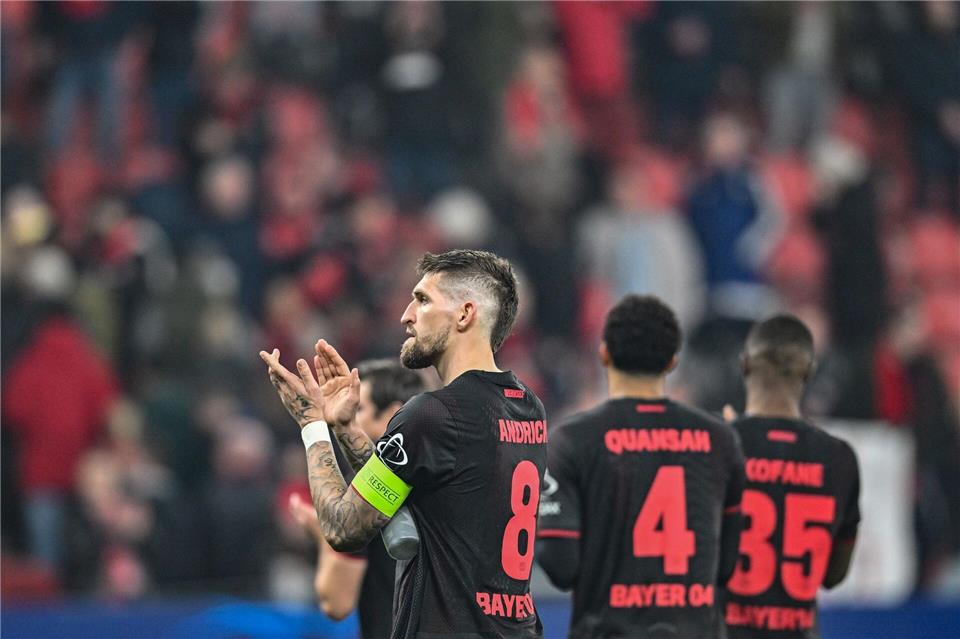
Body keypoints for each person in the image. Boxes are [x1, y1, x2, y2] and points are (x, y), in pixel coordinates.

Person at [261, 249, 547, 639]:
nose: (406, 316)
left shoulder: (433, 414)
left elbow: (343, 527)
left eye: (423, 300)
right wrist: (345, 428)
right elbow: (412, 495)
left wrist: (312, 425)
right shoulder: (528, 408)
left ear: (464, 315)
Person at [537, 294, 746, 638]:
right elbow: (726, 566)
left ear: (604, 353)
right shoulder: (720, 440)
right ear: (672, 361)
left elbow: (560, 564)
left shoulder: (573, 439)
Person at [723, 315, 860, 638]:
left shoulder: (719, 445)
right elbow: (833, 575)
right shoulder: (839, 458)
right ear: (810, 372)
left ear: (744, 365)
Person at [289, 358, 425, 638]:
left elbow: (336, 603)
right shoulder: (442, 472)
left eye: (359, 408)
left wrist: (323, 533)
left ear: (392, 414)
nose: (346, 413)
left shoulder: (369, 488)